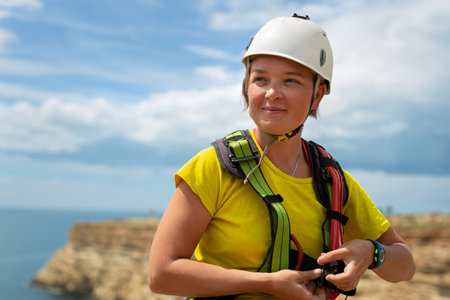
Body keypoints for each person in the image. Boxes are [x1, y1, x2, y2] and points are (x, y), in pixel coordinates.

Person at [149, 14, 415, 300]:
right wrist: (265, 283)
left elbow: (405, 266)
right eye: (260, 79)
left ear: (318, 95)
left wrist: (372, 252)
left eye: (290, 81)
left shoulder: (332, 181)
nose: (272, 93)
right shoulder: (214, 167)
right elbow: (162, 273)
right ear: (246, 86)